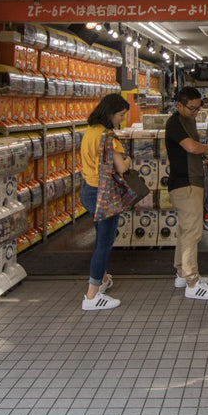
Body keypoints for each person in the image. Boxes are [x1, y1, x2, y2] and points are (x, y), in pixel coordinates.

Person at [165, 86, 208, 300]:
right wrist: (206, 149)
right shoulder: (176, 122)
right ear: (179, 105)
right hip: (185, 183)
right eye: (191, 108)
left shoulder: (186, 120)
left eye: (198, 108)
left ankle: (181, 272)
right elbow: (189, 146)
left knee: (185, 229)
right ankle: (192, 282)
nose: (195, 112)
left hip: (189, 181)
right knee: (192, 232)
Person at [78, 93, 132, 311]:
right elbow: (122, 167)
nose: (121, 119)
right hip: (105, 194)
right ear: (110, 114)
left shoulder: (90, 131)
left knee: (101, 236)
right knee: (104, 242)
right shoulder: (108, 136)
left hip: (88, 190)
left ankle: (103, 278)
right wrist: (128, 159)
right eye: (120, 115)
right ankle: (92, 295)